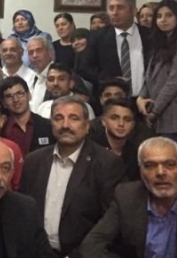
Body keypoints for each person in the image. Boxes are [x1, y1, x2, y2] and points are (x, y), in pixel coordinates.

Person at [20, 96, 125, 258]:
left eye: (74, 118)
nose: (65, 125)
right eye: (58, 118)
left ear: (87, 125)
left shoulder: (107, 164)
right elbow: (25, 212)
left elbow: (109, 222)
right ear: (51, 123)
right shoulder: (33, 161)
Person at [79, 137, 177, 257]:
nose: (160, 172)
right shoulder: (127, 196)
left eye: (170, 165)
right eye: (150, 166)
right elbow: (91, 245)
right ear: (140, 171)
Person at [79, 0, 150, 97]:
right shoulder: (98, 37)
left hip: (144, 100)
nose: (114, 13)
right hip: (109, 100)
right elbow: (84, 68)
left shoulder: (149, 35)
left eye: (120, 8)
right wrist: (108, 82)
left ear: (134, 11)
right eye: (111, 8)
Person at [138, 0, 177, 140]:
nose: (163, 20)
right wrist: (140, 98)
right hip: (158, 116)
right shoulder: (158, 45)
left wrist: (155, 111)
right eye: (159, 16)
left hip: (173, 116)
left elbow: (174, 82)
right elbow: (149, 77)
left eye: (169, 15)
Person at [0, 76, 55, 156]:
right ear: (3, 103)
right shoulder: (0, 130)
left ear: (29, 95)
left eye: (19, 93)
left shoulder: (48, 126)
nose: (16, 100)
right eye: (9, 96)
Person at [90, 98, 140, 181]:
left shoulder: (136, 153)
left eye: (127, 120)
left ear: (133, 124)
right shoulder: (90, 148)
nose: (121, 124)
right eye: (114, 118)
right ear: (103, 121)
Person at [26, 36, 54, 111]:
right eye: (30, 52)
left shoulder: (63, 75)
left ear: (50, 52)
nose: (34, 55)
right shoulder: (32, 78)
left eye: (39, 50)